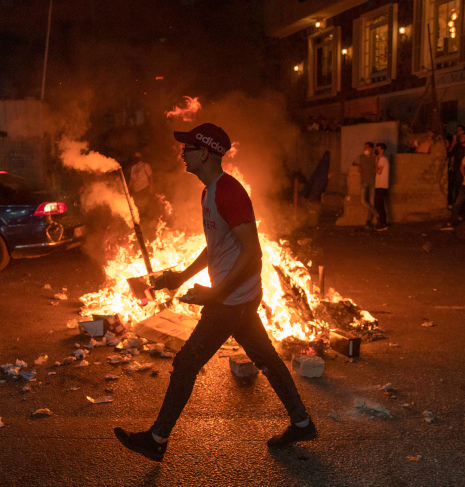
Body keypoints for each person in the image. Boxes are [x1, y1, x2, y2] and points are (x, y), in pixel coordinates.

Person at [114, 123, 316, 462]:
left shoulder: (229, 192)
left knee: (186, 363)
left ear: (206, 153)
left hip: (231, 300)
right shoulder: (209, 191)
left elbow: (253, 253)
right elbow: (215, 246)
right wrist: (180, 275)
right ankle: (302, 422)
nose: (182, 153)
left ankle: (157, 439)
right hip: (234, 298)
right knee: (265, 357)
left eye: (188, 148)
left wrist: (215, 293)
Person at [351, 141, 377, 227]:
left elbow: (378, 166)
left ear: (370, 149)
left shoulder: (375, 157)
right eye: (364, 147)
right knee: (363, 201)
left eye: (366, 147)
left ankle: (369, 220)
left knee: (371, 201)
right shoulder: (361, 157)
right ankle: (376, 213)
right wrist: (358, 165)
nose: (364, 149)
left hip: (372, 181)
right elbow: (353, 163)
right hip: (364, 181)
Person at [128, 152, 153, 219]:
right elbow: (132, 179)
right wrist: (128, 189)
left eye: (138, 156)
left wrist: (151, 188)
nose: (137, 157)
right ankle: (142, 221)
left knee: (145, 206)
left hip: (144, 189)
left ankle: (148, 221)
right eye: (135, 156)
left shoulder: (145, 165)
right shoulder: (134, 167)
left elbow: (150, 177)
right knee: (138, 208)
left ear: (141, 157)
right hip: (137, 191)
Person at [374, 143, 390, 231]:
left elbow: (378, 171)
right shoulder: (380, 159)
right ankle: (381, 223)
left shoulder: (383, 159)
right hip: (379, 185)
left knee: (379, 206)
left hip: (381, 186)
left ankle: (383, 224)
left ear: (382, 150)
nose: (376, 150)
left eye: (378, 149)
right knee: (379, 205)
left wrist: (376, 164)